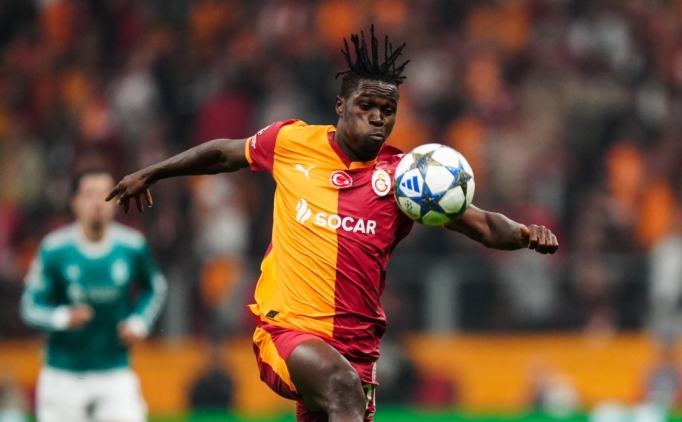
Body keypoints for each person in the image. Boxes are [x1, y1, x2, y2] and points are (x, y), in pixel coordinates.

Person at [106, 26, 558, 422]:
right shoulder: (291, 142)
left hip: (357, 351)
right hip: (286, 332)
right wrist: (154, 172)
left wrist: (524, 235)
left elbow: (482, 225)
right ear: (341, 105)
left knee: (344, 391)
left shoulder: (406, 179)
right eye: (367, 105)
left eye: (388, 109)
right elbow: (225, 152)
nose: (378, 117)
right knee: (341, 388)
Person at [21, 168, 168, 422]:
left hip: (114, 372)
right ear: (75, 202)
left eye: (105, 194)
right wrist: (62, 317)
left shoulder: (132, 246)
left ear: (117, 201)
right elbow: (30, 306)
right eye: (89, 194)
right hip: (63, 375)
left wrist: (139, 321)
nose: (98, 202)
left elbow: (155, 286)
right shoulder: (54, 249)